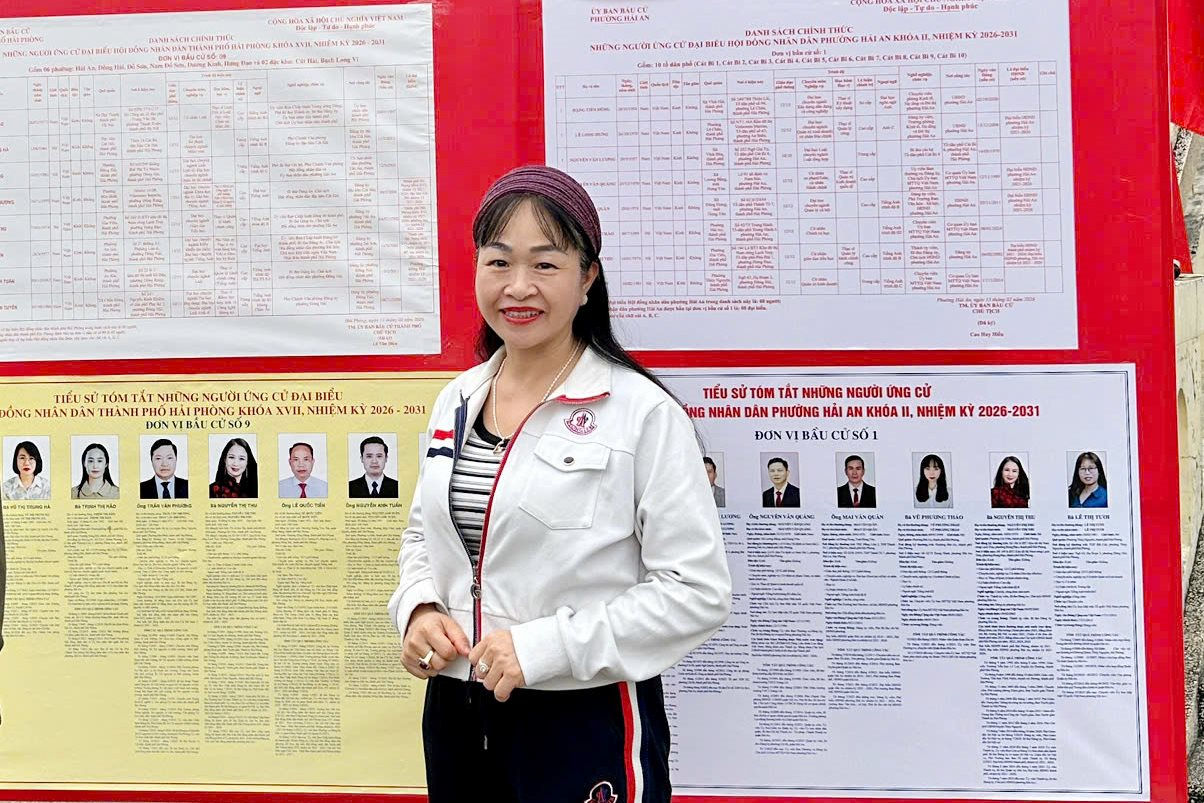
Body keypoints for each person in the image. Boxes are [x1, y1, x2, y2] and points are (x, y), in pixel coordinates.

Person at [387, 165, 731, 803]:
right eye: (498, 262)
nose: (518, 286)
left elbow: (697, 592)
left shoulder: (641, 414)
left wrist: (545, 648)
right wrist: (419, 609)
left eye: (545, 265)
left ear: (587, 277)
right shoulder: (457, 399)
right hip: (457, 711)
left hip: (581, 715)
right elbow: (423, 537)